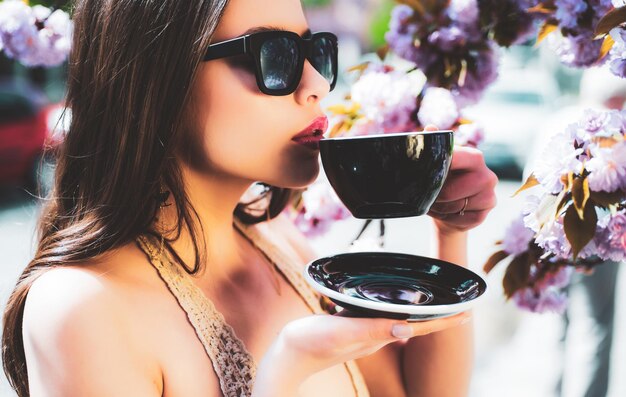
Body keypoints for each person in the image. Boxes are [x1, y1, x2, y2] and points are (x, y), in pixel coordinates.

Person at [1, 0, 498, 396]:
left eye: (315, 51)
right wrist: (285, 370)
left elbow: (412, 393)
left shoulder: (279, 243)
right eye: (274, 56)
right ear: (157, 76)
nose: (317, 84)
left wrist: (449, 236)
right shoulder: (82, 309)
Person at [526, 66, 625, 397]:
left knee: (560, 325)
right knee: (596, 325)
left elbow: (532, 182)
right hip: (594, 238)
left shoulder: (559, 121)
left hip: (553, 237)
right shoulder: (612, 134)